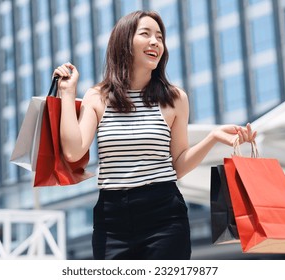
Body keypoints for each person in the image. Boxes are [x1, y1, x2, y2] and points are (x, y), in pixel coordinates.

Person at [52, 10, 256, 260]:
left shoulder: (174, 99)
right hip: (111, 218)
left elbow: (177, 165)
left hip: (164, 216)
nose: (155, 42)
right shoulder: (98, 96)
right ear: (124, 42)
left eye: (159, 37)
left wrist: (212, 137)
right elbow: (73, 150)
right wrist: (68, 92)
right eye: (146, 34)